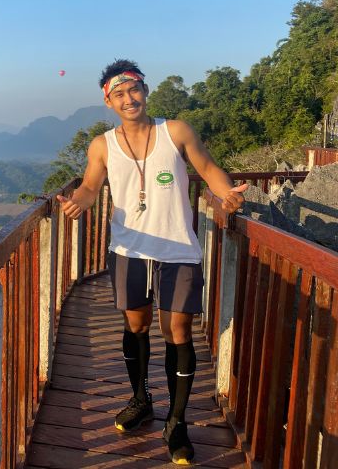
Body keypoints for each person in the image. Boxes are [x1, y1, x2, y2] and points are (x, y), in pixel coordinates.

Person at [56, 59, 247, 465]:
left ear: (146, 90)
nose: (129, 99)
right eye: (119, 95)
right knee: (136, 324)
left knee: (177, 329)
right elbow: (91, 186)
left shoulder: (174, 131)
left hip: (177, 247)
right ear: (108, 102)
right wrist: (78, 204)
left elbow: (209, 170)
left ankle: (176, 422)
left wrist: (226, 194)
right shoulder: (102, 145)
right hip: (129, 250)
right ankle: (141, 398)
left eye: (134, 90)